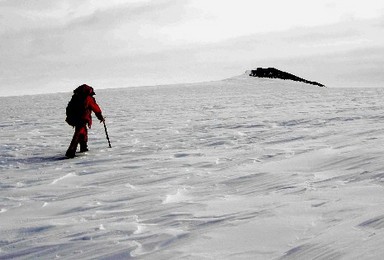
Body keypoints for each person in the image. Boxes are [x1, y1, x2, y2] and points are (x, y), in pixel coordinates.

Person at [65, 84, 104, 158]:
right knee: (79, 133)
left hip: (74, 118)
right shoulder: (88, 98)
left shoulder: (75, 97)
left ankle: (83, 147)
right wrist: (100, 117)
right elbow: (95, 108)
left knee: (82, 131)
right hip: (83, 118)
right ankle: (71, 151)